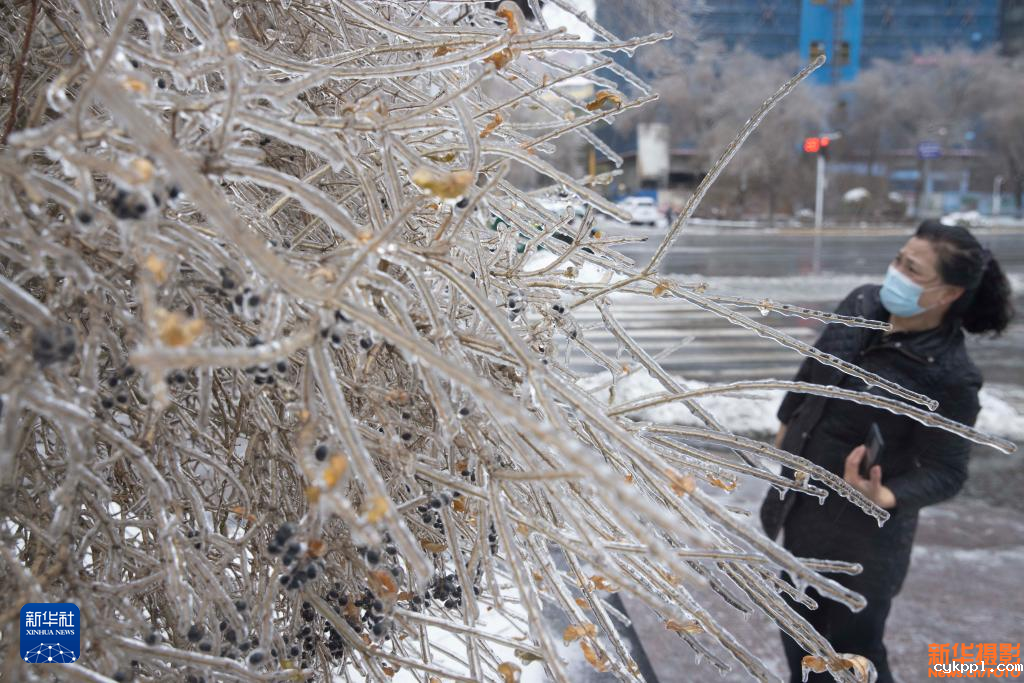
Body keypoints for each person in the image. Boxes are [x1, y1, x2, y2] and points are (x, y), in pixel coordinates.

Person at [759, 220, 1015, 682]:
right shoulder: (861, 301)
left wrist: (886, 496)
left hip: (862, 548)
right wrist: (786, 424)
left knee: (852, 660)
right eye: (899, 259)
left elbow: (947, 471)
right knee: (799, 643)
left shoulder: (951, 375)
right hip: (795, 511)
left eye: (912, 269)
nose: (895, 272)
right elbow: (814, 369)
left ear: (948, 293)